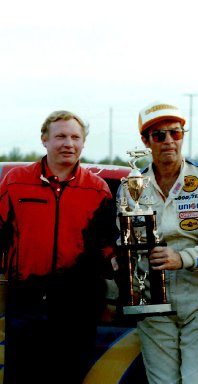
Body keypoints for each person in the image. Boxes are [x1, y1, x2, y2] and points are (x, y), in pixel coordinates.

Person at [116, 100, 198, 383]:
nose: (168, 141)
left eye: (175, 133)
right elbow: (122, 240)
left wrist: (182, 258)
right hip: (152, 303)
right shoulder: (130, 186)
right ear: (145, 141)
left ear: (183, 135)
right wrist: (119, 257)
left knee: (195, 381)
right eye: (159, 135)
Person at [0, 110, 118, 384]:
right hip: (26, 302)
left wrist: (116, 262)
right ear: (44, 139)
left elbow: (107, 245)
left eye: (75, 137)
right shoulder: (16, 182)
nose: (69, 143)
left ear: (83, 143)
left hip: (77, 306)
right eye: (61, 136)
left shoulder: (98, 189)